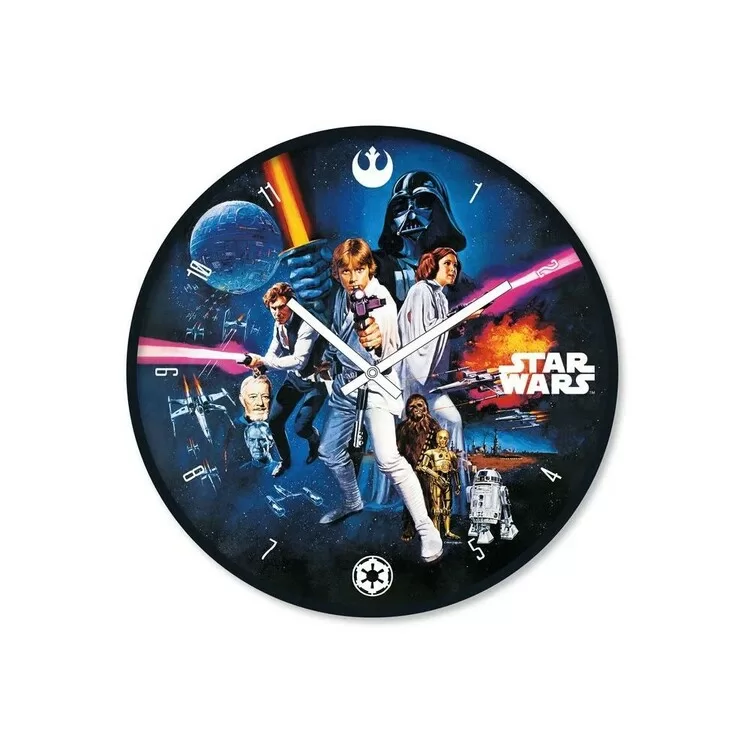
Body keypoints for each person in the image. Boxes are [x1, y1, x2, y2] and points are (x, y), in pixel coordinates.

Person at [317, 238, 443, 563]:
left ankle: (426, 528)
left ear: (370, 269)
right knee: (329, 450)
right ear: (338, 273)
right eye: (346, 272)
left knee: (388, 459)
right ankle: (352, 501)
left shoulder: (382, 301)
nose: (353, 278)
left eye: (359, 270)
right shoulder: (340, 296)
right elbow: (336, 334)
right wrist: (328, 361)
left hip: (375, 385)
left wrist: (373, 339)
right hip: (346, 384)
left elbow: (380, 338)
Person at [242, 282, 327, 477]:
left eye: (282, 307)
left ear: (292, 305)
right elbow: (274, 350)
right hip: (295, 380)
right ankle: (285, 461)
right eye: (273, 308)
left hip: (316, 383)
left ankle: (315, 442)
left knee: (301, 428)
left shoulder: (307, 324)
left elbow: (299, 361)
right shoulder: (279, 325)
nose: (277, 313)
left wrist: (264, 361)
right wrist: (261, 366)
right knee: (274, 422)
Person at [396, 394, 442, 541]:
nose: (416, 409)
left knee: (430, 498)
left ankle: (432, 528)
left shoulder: (433, 426)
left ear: (425, 408)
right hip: (409, 469)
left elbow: (439, 448)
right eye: (412, 407)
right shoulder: (402, 428)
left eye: (419, 405)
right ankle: (409, 528)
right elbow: (399, 450)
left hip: (428, 470)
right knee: (410, 498)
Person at [417, 429, 461, 540]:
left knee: (447, 509)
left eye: (445, 438)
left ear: (448, 440)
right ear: (436, 439)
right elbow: (423, 466)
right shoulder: (430, 453)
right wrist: (437, 476)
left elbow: (455, 471)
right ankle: (436, 533)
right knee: (436, 510)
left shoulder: (451, 455)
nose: (442, 440)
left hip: (447, 483)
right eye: (440, 438)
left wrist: (458, 484)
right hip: (436, 483)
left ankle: (447, 531)